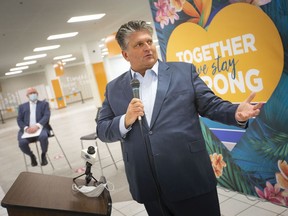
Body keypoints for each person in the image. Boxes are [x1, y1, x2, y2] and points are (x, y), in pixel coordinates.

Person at [96, 20, 262, 216]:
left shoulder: (183, 72)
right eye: (139, 44)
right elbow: (102, 129)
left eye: (149, 41)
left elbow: (211, 105)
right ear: (125, 54)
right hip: (149, 186)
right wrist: (125, 119)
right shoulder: (114, 88)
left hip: (189, 177)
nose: (148, 47)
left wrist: (235, 112)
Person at [17, 87, 51, 166]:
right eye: (30, 93)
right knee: (22, 143)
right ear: (27, 95)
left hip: (40, 128)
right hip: (26, 130)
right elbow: (19, 120)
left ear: (37, 94)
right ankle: (31, 156)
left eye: (34, 92)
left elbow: (46, 115)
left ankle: (43, 155)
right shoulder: (22, 107)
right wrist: (26, 128)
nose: (33, 94)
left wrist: (37, 126)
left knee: (43, 137)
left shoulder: (44, 104)